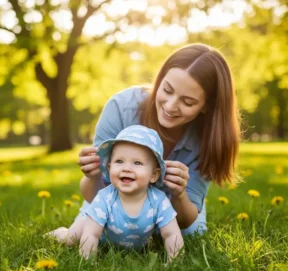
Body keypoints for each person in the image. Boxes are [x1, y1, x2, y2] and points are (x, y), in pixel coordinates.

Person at [78, 43, 240, 235]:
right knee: (86, 231)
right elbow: (93, 197)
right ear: (160, 79)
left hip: (174, 207)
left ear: (206, 106)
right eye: (167, 90)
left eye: (188, 102)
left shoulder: (209, 137)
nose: (171, 106)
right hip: (116, 200)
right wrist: (93, 175)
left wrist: (179, 195)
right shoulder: (121, 108)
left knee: (189, 234)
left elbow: (185, 221)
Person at [49, 125, 184, 260]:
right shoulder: (105, 198)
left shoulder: (159, 201)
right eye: (119, 161)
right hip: (94, 226)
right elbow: (91, 234)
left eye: (137, 163)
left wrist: (174, 262)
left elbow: (172, 234)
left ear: (154, 175)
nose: (126, 168)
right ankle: (58, 233)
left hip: (133, 242)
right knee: (71, 239)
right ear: (109, 168)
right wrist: (88, 263)